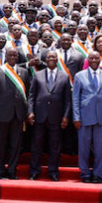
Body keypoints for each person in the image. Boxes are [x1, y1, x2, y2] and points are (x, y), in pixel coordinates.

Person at [27, 50, 72, 181]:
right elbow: (31, 96)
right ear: (45, 60)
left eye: (54, 57)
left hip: (56, 117)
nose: (51, 59)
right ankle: (34, 171)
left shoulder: (64, 76)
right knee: (36, 145)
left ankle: (53, 172)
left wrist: (65, 116)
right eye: (49, 57)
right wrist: (30, 111)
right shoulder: (37, 75)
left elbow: (67, 99)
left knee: (55, 146)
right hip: (39, 116)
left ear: (57, 60)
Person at [0, 47, 30, 179]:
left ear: (17, 57)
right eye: (10, 55)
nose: (13, 57)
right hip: (2, 113)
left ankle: (12, 171)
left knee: (15, 145)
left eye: (15, 55)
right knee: (0, 144)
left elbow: (27, 94)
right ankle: (0, 171)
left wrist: (27, 113)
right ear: (5, 56)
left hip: (18, 115)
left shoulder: (24, 72)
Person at [73, 51, 102, 183]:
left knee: (99, 148)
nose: (94, 60)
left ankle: (98, 174)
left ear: (100, 60)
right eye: (92, 58)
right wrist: (76, 117)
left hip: (101, 117)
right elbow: (76, 99)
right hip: (84, 117)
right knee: (83, 148)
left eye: (97, 58)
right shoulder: (79, 76)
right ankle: (84, 173)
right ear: (88, 60)